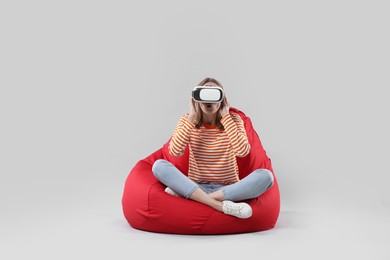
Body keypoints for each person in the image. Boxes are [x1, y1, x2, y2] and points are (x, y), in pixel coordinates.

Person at [152, 77, 274, 219]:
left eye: (214, 94)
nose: (209, 99)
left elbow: (242, 151)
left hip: (228, 189)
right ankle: (220, 205)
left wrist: (225, 117)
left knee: (266, 176)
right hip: (196, 185)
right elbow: (175, 151)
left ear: (222, 99)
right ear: (196, 99)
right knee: (159, 166)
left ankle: (197, 198)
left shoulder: (234, 120)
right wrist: (192, 117)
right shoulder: (187, 120)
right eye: (204, 94)